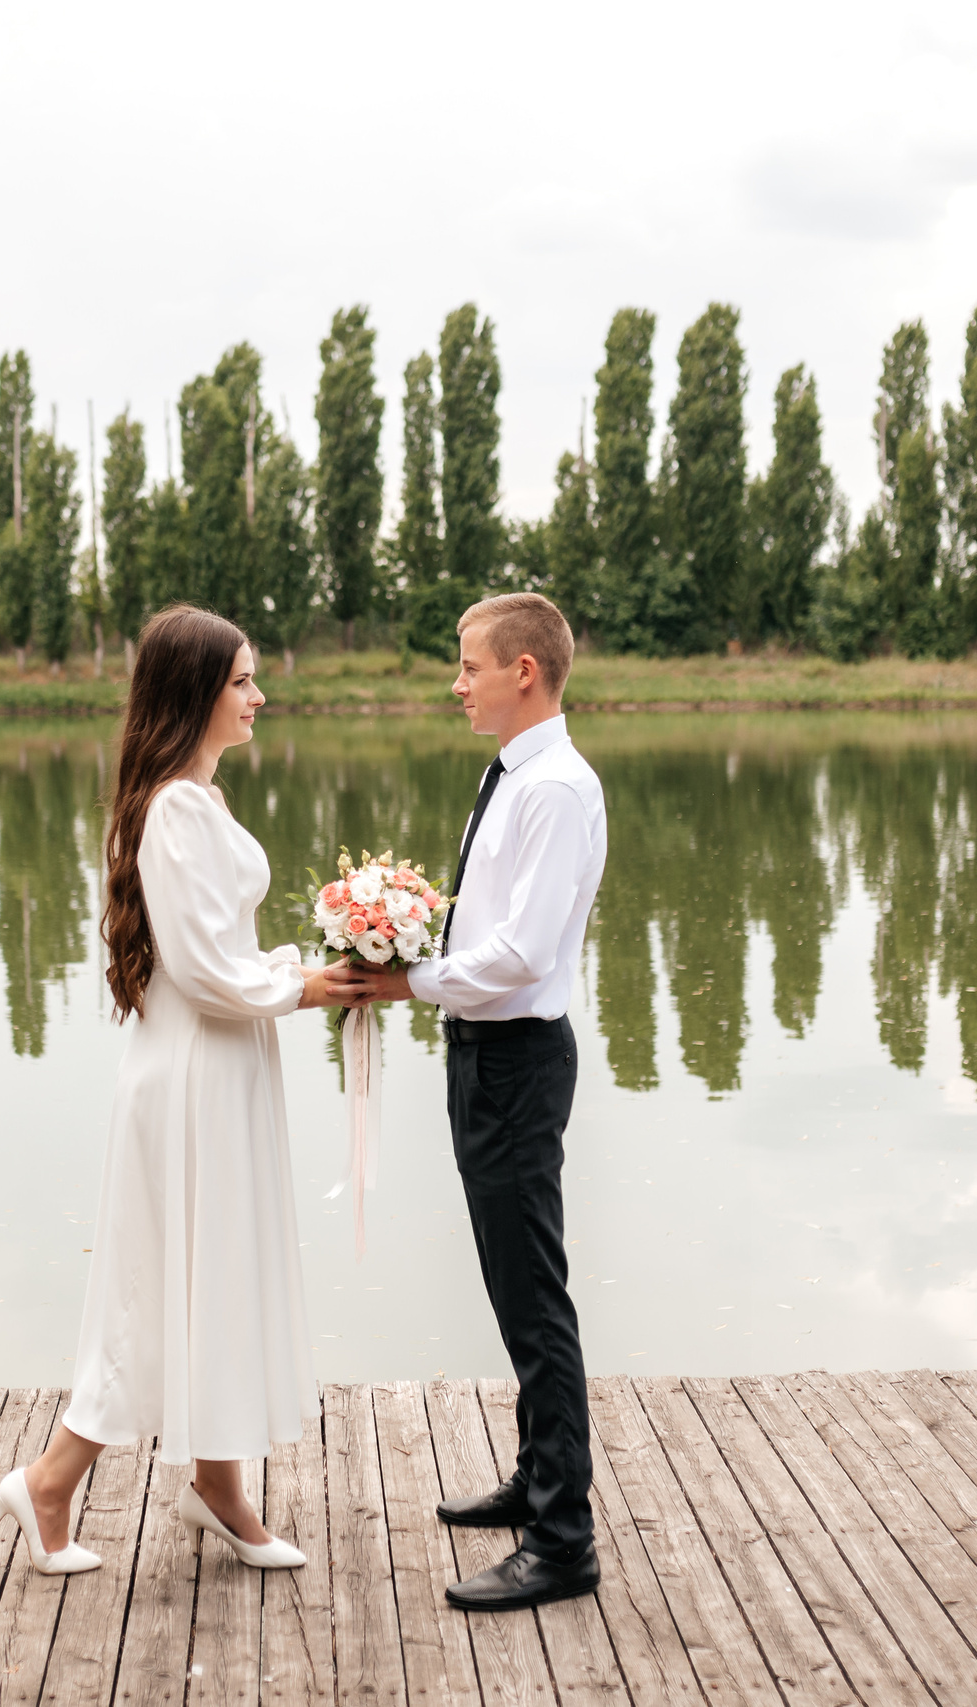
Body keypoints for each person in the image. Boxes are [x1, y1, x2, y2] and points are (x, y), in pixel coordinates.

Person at [0, 604, 340, 1577]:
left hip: (213, 1061)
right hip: (194, 1071)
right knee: (161, 1279)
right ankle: (56, 1483)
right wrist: (308, 985)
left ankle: (215, 1489)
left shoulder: (196, 800)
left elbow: (220, 953)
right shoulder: (175, 811)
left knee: (208, 1271)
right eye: (241, 681)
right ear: (194, 693)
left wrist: (297, 966)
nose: (258, 696)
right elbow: (202, 969)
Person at [327, 591, 607, 1611]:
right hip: (483, 1055)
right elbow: (487, 931)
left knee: (534, 1299)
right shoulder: (512, 779)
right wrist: (400, 940)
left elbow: (524, 954)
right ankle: (539, 1484)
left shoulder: (554, 790)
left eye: (469, 666)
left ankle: (563, 1539)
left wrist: (407, 980)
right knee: (509, 1285)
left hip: (517, 1059)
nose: (457, 684)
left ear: (522, 671)